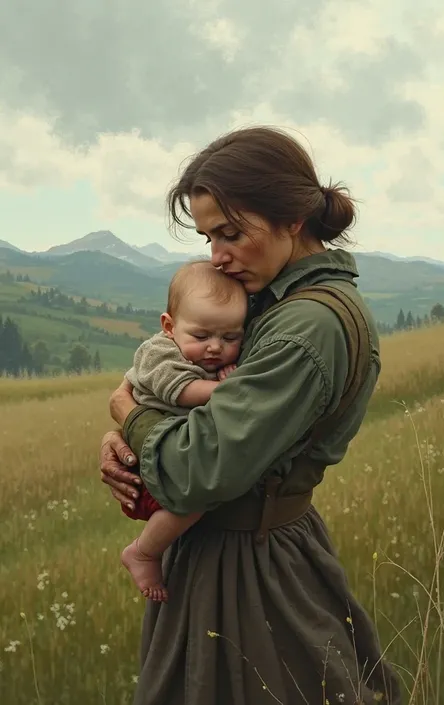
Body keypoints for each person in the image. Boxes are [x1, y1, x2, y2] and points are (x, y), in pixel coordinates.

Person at [100, 126, 402, 705]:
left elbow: (197, 470)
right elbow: (179, 379)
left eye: (232, 234)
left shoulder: (307, 327)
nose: (217, 256)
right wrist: (120, 431)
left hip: (249, 567)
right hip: (228, 550)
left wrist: (126, 413)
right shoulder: (272, 302)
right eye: (209, 236)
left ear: (292, 218)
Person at [121, 260, 247, 602]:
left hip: (170, 445)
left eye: (230, 337)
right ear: (168, 325)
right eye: (202, 336)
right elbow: (185, 392)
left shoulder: (209, 358)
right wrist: (235, 386)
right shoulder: (159, 353)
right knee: (196, 498)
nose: (215, 347)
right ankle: (144, 551)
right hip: (151, 462)